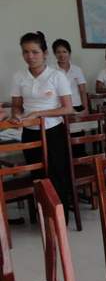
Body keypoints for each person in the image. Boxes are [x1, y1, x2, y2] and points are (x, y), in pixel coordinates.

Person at [10, 31, 74, 216]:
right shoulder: (18, 76)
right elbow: (16, 105)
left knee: (56, 175)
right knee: (36, 176)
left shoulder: (56, 76)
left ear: (45, 53)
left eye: (35, 52)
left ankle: (60, 218)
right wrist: (16, 115)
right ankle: (43, 216)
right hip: (29, 132)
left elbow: (68, 108)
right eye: (25, 52)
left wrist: (40, 113)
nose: (30, 56)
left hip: (52, 131)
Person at [52, 39, 88, 113]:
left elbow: (82, 90)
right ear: (54, 54)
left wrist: (86, 109)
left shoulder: (77, 69)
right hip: (59, 108)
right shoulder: (51, 70)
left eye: (64, 52)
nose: (62, 55)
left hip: (77, 105)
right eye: (58, 52)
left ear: (69, 53)